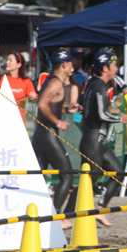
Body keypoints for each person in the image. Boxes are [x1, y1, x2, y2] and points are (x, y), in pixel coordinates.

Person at [76, 50, 127, 226]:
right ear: (105, 68)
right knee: (87, 182)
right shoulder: (98, 85)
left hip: (96, 140)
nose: (117, 69)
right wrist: (119, 118)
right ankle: (66, 216)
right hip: (92, 140)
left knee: (118, 172)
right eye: (114, 65)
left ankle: (100, 208)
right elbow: (101, 114)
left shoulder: (94, 84)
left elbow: (86, 110)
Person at [31, 49, 82, 229]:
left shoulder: (50, 80)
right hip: (48, 135)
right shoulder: (56, 83)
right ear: (64, 65)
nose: (72, 67)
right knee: (67, 175)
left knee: (37, 177)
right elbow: (42, 105)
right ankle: (57, 216)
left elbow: (50, 106)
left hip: (40, 134)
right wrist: (58, 122)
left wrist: (66, 110)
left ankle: (35, 215)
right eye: (71, 64)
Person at [5, 51, 37, 126]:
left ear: (18, 65)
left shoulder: (26, 81)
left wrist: (33, 96)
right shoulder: (2, 79)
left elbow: (33, 99)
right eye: (7, 60)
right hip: (3, 121)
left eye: (10, 60)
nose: (7, 62)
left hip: (19, 123)